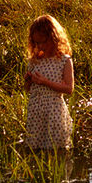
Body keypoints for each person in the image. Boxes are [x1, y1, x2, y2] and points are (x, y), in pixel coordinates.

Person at [24, 15, 73, 150]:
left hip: (54, 111)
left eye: (43, 42)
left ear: (54, 38)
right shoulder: (35, 61)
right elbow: (28, 90)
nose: (40, 46)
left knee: (55, 152)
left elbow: (69, 89)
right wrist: (28, 81)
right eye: (36, 43)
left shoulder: (64, 60)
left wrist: (45, 82)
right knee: (34, 150)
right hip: (35, 110)